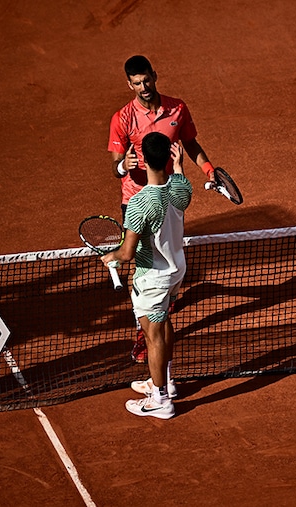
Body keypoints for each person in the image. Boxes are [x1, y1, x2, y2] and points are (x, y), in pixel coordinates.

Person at [108, 54, 216, 364]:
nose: (144, 87)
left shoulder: (177, 108)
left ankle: (158, 310)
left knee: (166, 253)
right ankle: (144, 327)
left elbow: (190, 142)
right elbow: (114, 164)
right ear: (129, 84)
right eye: (137, 83)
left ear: (155, 76)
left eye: (147, 80)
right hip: (135, 199)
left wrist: (208, 169)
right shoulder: (123, 118)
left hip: (168, 194)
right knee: (142, 259)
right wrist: (121, 168)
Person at [102, 131, 193, 419]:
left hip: (153, 278)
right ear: (169, 157)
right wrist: (179, 167)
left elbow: (127, 253)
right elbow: (178, 179)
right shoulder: (181, 188)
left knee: (153, 337)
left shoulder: (140, 203)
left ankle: (160, 400)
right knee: (164, 324)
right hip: (176, 271)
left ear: (142, 160)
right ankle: (164, 382)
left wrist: (110, 256)